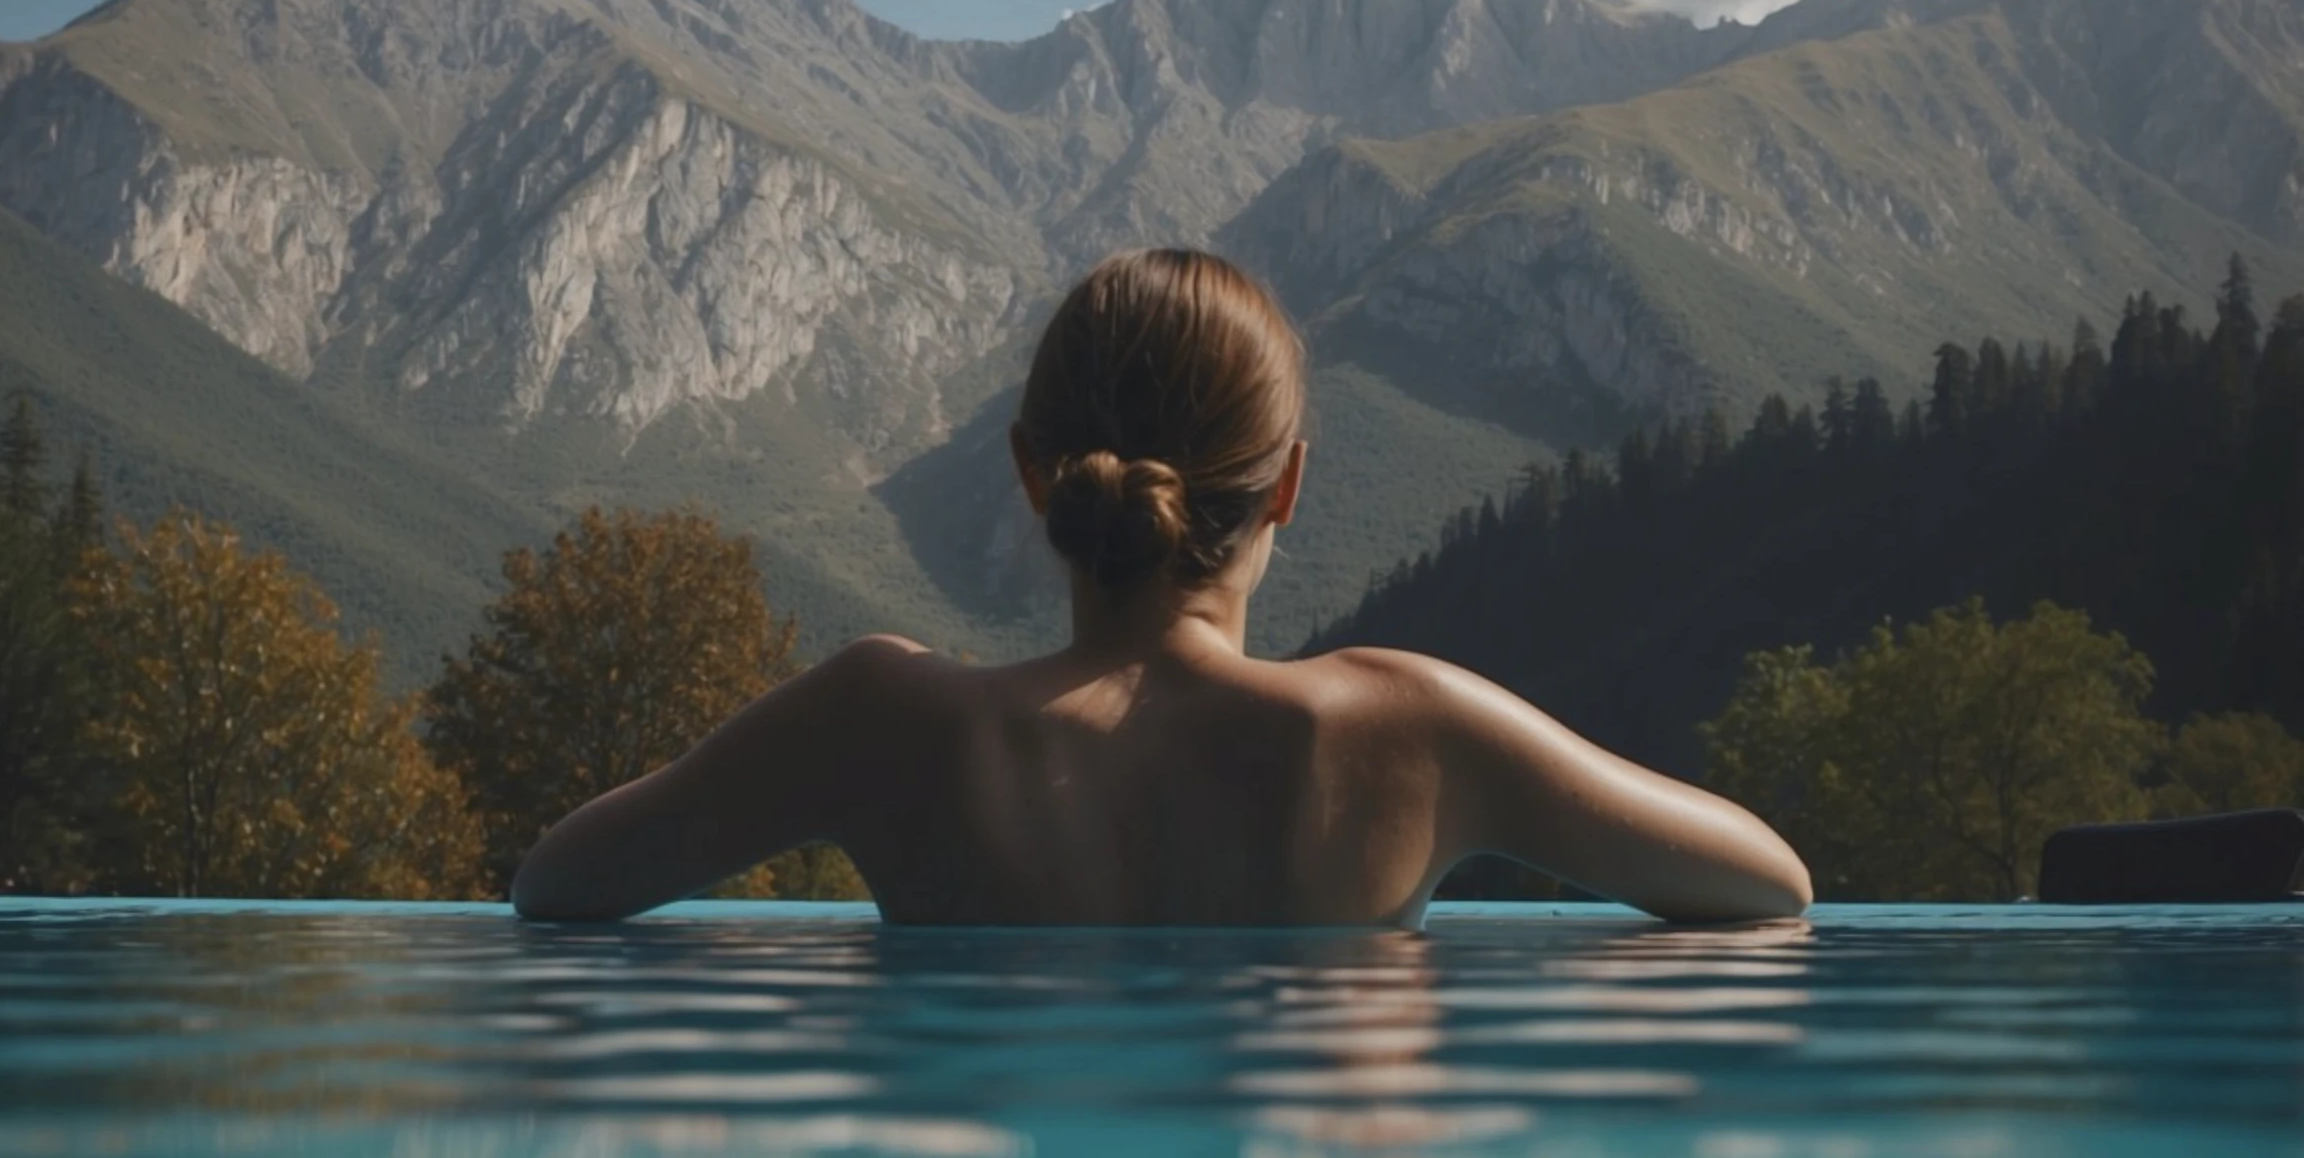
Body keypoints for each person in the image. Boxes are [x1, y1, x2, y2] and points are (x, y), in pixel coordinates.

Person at [511, 249, 1813, 927]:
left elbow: (556, 886)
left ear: (1034, 474)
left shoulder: (885, 720)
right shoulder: (1405, 729)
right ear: (1292, 486)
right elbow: (1769, 885)